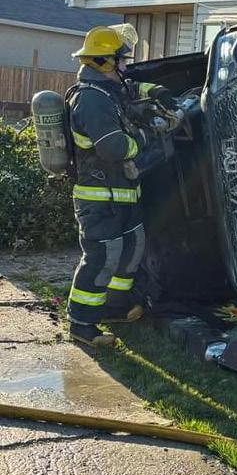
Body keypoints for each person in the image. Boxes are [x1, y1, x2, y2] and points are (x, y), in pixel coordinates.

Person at [66, 23, 173, 348]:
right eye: (121, 61)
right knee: (103, 258)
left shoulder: (110, 91)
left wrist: (157, 92)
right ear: (104, 63)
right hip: (100, 199)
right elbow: (113, 148)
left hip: (124, 195)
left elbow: (134, 89)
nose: (126, 67)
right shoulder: (91, 100)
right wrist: (147, 137)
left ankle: (114, 307)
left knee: (131, 250)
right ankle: (82, 323)